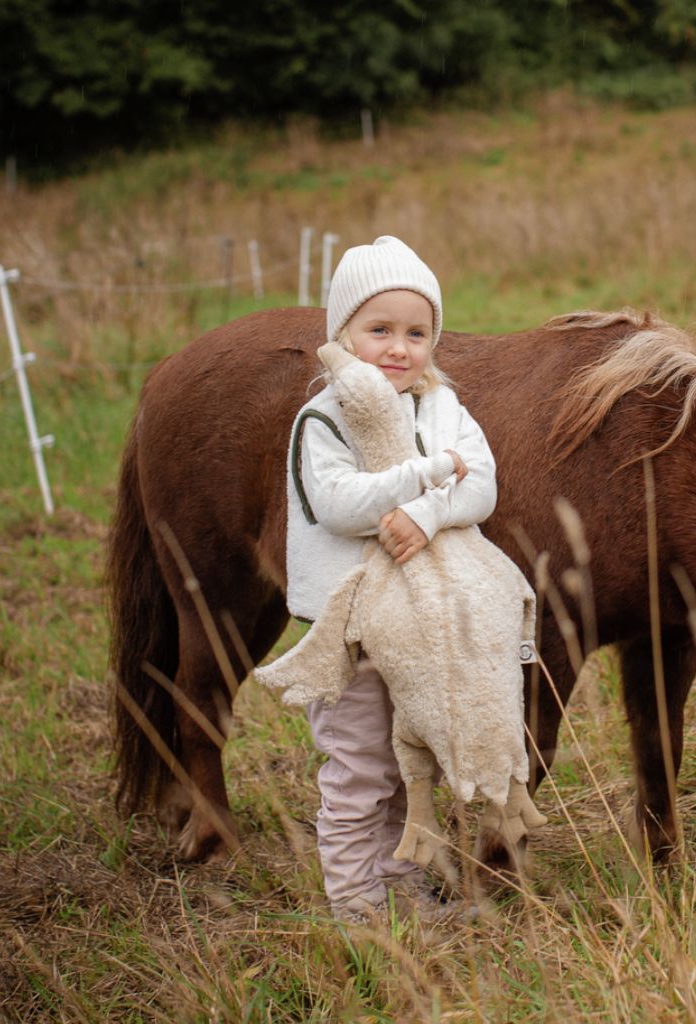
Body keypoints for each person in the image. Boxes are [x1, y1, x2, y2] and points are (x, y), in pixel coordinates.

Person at [284, 235, 497, 923]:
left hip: (416, 621)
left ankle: (401, 889)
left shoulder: (443, 407)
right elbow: (340, 505)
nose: (399, 348)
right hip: (349, 627)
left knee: (410, 760)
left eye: (416, 333)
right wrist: (426, 477)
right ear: (343, 333)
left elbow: (481, 485)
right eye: (379, 330)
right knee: (359, 768)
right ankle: (357, 908)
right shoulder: (325, 417)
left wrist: (427, 513)